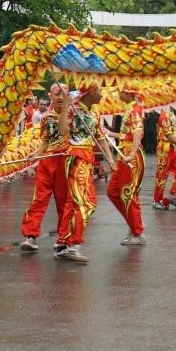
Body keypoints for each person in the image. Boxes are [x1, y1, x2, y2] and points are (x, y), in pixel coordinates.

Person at [54, 85, 116, 263]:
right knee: (87, 202)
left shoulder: (94, 113)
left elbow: (101, 137)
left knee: (72, 204)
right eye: (99, 91)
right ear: (91, 92)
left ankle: (62, 246)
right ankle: (74, 245)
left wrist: (110, 160)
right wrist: (65, 107)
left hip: (88, 159)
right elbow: (62, 131)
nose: (102, 94)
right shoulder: (74, 108)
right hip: (75, 158)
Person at [19, 85, 70, 252]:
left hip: (65, 161)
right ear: (50, 96)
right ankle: (31, 236)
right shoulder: (46, 118)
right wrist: (35, 153)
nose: (61, 97)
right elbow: (45, 141)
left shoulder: (74, 115)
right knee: (39, 199)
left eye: (64, 95)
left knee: (64, 201)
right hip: (47, 161)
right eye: (57, 94)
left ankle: (64, 238)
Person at [105, 87, 148, 245]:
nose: (119, 94)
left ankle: (138, 233)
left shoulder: (135, 109)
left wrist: (131, 154)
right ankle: (134, 223)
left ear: (130, 93)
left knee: (128, 194)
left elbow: (137, 132)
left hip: (130, 156)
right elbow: (128, 134)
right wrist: (111, 134)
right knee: (113, 192)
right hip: (124, 154)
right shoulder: (130, 109)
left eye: (121, 91)